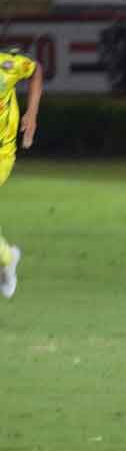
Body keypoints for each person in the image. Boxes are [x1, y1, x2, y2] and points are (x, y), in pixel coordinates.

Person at [0, 46, 43, 299]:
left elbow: (36, 69)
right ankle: (7, 256)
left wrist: (32, 112)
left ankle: (7, 257)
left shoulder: (7, 63)